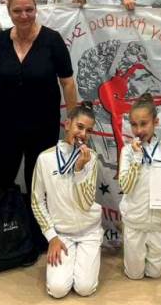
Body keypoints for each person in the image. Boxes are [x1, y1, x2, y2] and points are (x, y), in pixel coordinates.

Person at [0, 0, 78, 250]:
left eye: (29, 9)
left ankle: (40, 238)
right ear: (8, 11)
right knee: (2, 178)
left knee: (37, 181)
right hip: (6, 125)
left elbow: (68, 83)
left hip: (43, 124)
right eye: (17, 11)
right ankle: (0, 236)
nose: (24, 15)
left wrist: (73, 121)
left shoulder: (52, 40)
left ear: (36, 9)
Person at [31, 104, 102, 299]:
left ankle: (90, 250)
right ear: (67, 124)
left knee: (85, 288)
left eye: (88, 130)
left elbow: (86, 203)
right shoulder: (45, 159)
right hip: (62, 234)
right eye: (80, 127)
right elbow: (37, 202)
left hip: (89, 231)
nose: (83, 134)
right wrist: (52, 237)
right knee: (58, 290)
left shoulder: (91, 158)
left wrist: (79, 170)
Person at [118, 94, 161, 280]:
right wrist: (137, 157)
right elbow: (125, 187)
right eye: (134, 125)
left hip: (159, 222)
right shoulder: (127, 152)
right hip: (134, 222)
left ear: (155, 122)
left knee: (155, 274)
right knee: (134, 275)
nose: (138, 130)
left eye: (144, 124)